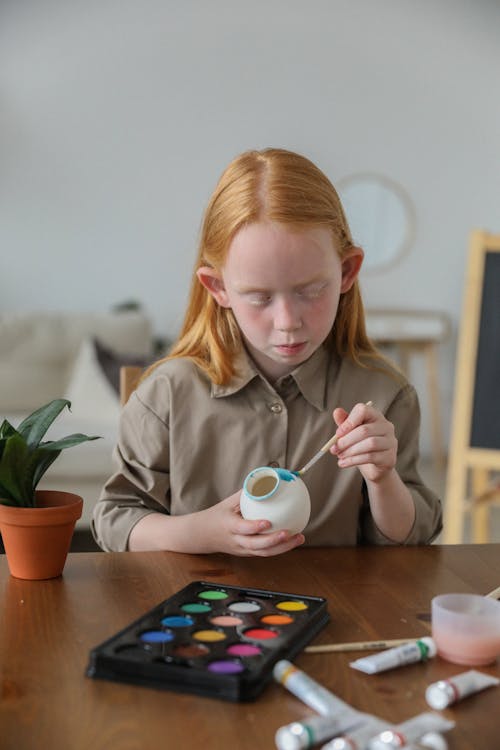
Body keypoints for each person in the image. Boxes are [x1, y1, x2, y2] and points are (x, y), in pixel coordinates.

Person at [92, 147, 442, 554]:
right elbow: (115, 519)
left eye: (310, 291)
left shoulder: (384, 396)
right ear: (218, 288)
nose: (287, 321)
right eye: (259, 297)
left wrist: (383, 479)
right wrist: (201, 533)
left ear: (347, 272)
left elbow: (412, 538)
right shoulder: (168, 394)